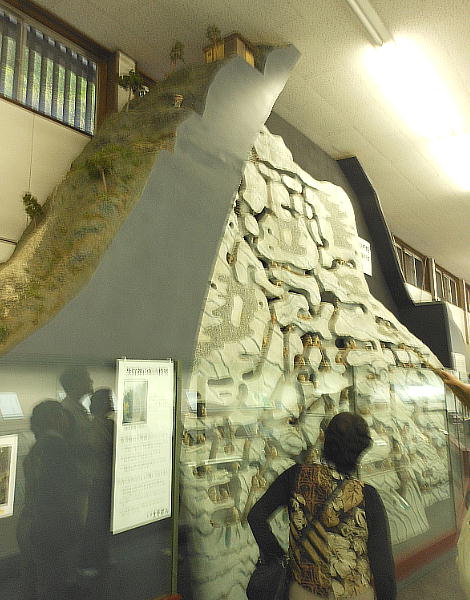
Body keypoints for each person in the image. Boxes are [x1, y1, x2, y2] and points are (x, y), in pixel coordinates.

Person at [248, 412, 396, 600]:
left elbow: (256, 516)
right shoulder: (366, 495)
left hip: (303, 592)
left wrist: (277, 556)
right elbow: (383, 567)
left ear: (325, 440)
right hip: (353, 594)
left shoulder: (295, 476)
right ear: (361, 451)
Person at [17, 400, 84, 600]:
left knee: (33, 582)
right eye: (61, 414)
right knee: (52, 585)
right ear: (55, 419)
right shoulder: (57, 446)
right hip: (50, 527)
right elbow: (61, 492)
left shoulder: (39, 446)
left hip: (32, 523)